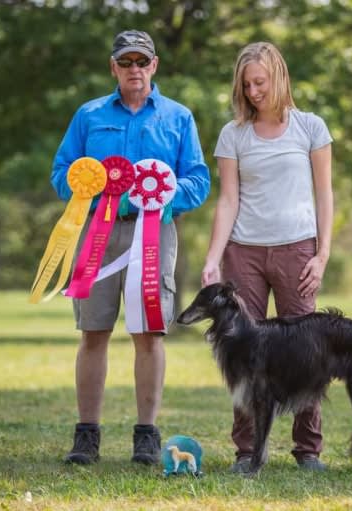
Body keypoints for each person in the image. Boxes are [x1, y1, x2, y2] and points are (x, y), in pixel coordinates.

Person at [51, 30, 210, 465]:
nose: (134, 69)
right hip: (97, 235)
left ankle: (147, 435)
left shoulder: (179, 117)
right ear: (113, 67)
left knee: (149, 333)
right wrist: (89, 190)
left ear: (154, 65)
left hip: (155, 235)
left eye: (142, 62)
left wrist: (160, 198)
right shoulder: (89, 115)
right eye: (126, 62)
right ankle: (86, 436)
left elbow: (198, 180)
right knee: (93, 332)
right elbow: (61, 170)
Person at [201, 41, 333, 473]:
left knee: (307, 353)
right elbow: (228, 201)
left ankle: (308, 450)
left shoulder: (310, 128)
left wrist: (322, 254)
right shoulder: (233, 134)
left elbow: (325, 195)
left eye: (260, 82)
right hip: (245, 255)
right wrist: (214, 258)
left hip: (298, 249)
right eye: (247, 84)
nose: (254, 91)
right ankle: (246, 451)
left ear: (279, 76)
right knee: (242, 352)